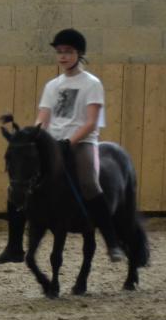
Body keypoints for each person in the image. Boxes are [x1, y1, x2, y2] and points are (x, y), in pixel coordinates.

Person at [34, 28, 125, 262]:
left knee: (89, 182)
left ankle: (111, 241)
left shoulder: (91, 83)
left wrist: (69, 142)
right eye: (60, 52)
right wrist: (35, 136)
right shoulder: (52, 86)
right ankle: (15, 242)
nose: (63, 56)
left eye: (68, 52)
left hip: (83, 142)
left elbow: (92, 122)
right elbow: (43, 117)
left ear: (79, 54)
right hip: (55, 143)